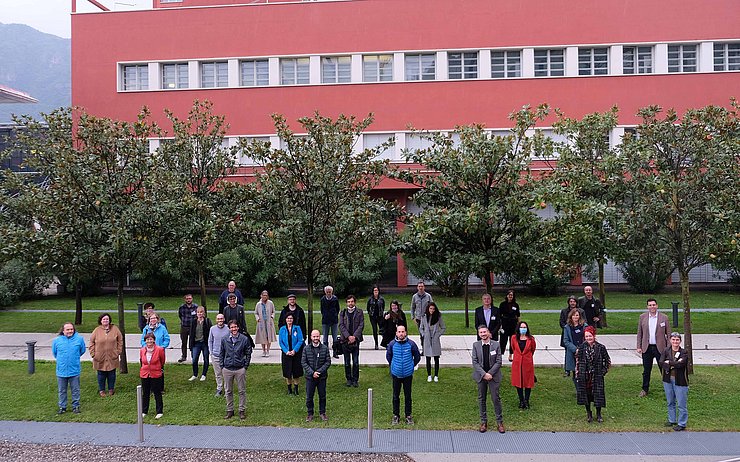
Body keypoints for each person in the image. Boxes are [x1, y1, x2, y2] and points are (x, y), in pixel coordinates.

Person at [471, 325, 505, 433]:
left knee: (496, 399)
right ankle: (483, 422)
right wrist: (484, 374)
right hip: (481, 377)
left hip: (493, 376)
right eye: (481, 332)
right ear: (478, 334)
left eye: (484, 332)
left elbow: (499, 361)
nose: (483, 334)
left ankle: (499, 422)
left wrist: (490, 373)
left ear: (488, 332)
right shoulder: (475, 345)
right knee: (482, 399)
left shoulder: (496, 345)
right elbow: (475, 362)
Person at [386, 325, 421, 426]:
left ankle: (408, 416)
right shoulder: (392, 344)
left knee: (408, 396)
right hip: (396, 375)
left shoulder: (411, 344)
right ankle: (396, 415)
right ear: (396, 333)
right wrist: (393, 366)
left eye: (403, 332)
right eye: (399, 332)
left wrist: (411, 366)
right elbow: (389, 356)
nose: (401, 334)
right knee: (395, 396)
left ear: (405, 333)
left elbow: (417, 357)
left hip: (407, 375)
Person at [575, 326, 611, 423]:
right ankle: (588, 413)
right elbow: (577, 362)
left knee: (598, 394)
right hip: (585, 376)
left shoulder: (601, 347)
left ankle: (598, 413)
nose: (588, 338)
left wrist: (603, 372)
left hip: (597, 375)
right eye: (586, 336)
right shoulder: (581, 348)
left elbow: (607, 361)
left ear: (594, 336)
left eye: (590, 336)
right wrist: (578, 374)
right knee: (586, 395)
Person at [636, 298, 671, 397]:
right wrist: (638, 346)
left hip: (660, 348)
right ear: (647, 307)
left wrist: (668, 348)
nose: (652, 307)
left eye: (654, 305)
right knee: (646, 370)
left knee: (664, 369)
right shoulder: (642, 317)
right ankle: (644, 389)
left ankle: (668, 389)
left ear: (657, 306)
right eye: (650, 305)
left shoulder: (664, 317)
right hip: (646, 348)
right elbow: (640, 333)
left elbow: (668, 334)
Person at [220, 320, 254, 420]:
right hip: (227, 369)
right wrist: (222, 366)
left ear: (238, 328)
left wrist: (245, 366)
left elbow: (248, 353)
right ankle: (230, 410)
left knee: (241, 391)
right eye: (232, 327)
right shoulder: (225, 339)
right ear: (229, 328)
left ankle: (241, 410)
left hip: (240, 369)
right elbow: (221, 353)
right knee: (228, 391)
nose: (234, 329)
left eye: (235, 327)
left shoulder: (244, 339)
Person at [52, 322, 86, 414]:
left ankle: (76, 406)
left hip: (74, 370)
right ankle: (62, 407)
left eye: (71, 329)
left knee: (75, 390)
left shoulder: (79, 339)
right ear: (63, 331)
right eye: (67, 329)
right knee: (62, 390)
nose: (70, 331)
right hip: (61, 371)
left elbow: (82, 351)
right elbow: (55, 353)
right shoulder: (57, 341)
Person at [88, 313, 123, 397]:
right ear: (101, 320)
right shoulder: (96, 330)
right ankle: (102, 390)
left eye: (107, 319)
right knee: (101, 374)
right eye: (104, 319)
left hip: (112, 355)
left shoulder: (115, 329)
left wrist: (118, 351)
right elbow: (91, 342)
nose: (105, 321)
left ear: (109, 320)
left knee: (112, 373)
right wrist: (93, 354)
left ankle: (111, 389)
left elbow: (120, 340)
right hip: (100, 356)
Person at [660, 332, 689, 431]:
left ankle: (682, 423)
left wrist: (670, 363)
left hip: (680, 381)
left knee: (681, 403)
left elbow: (681, 365)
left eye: (677, 340)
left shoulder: (684, 352)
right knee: (670, 401)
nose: (675, 341)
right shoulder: (666, 350)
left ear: (680, 341)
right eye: (673, 339)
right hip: (668, 380)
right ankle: (672, 420)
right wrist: (674, 364)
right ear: (670, 340)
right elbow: (661, 362)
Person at [301, 329, 331, 422]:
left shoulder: (325, 348)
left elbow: (328, 362)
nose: (315, 338)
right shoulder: (306, 349)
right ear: (311, 337)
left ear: (320, 337)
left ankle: (322, 413)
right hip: (310, 378)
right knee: (309, 396)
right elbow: (303, 362)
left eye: (317, 336)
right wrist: (312, 373)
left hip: (322, 377)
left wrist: (319, 372)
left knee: (322, 396)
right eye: (314, 336)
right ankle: (310, 414)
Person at [509, 320, 536, 409]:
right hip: (517, 363)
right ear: (518, 328)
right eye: (521, 327)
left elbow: (532, 350)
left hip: (527, 363)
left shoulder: (531, 339)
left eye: (524, 327)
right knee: (518, 382)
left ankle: (527, 400)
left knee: (528, 382)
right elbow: (513, 348)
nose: (523, 329)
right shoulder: (513, 338)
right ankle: (521, 400)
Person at [339, 294, 364, 387]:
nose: (350, 303)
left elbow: (361, 325)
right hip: (345, 341)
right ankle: (348, 379)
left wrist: (354, 337)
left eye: (352, 301)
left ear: (355, 302)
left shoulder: (359, 312)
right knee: (346, 362)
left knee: (356, 361)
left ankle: (355, 380)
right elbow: (341, 325)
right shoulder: (343, 312)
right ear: (346, 303)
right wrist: (348, 336)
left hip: (356, 341)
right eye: (349, 302)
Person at [140, 331, 165, 419]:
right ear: (145, 341)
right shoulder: (142, 350)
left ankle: (159, 411)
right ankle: (144, 411)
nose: (149, 341)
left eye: (151, 339)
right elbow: (141, 361)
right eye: (147, 340)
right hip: (145, 374)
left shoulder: (160, 349)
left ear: (154, 340)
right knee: (145, 393)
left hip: (156, 373)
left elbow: (162, 361)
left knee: (157, 392)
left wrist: (158, 368)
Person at [420, 301, 446, 382]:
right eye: (430, 308)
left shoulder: (438, 317)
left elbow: (443, 327)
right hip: (427, 339)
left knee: (436, 358)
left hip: (435, 338)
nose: (432, 310)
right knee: (428, 358)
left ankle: (436, 375)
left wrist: (438, 334)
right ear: (428, 309)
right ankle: (429, 375)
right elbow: (421, 328)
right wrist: (423, 334)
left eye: (433, 309)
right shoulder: (424, 317)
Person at [278, 313, 305, 395]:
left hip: (296, 354)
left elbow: (300, 340)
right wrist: (286, 351)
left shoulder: (297, 328)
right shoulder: (282, 329)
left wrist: (294, 350)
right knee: (288, 372)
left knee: (296, 372)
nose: (289, 320)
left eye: (291, 318)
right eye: (288, 318)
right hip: (286, 354)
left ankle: (296, 388)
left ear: (293, 320)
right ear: (285, 319)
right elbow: (281, 342)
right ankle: (289, 388)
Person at [563, 308, 587, 385]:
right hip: (573, 352)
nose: (575, 317)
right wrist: (575, 349)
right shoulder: (567, 327)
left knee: (583, 372)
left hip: (583, 351)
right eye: (573, 315)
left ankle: (585, 389)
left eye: (577, 315)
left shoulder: (584, 326)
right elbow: (566, 341)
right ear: (571, 316)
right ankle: (578, 390)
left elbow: (588, 338)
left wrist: (582, 349)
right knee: (575, 372)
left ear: (580, 316)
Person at [559, 296, 582, 376]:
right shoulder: (564, 311)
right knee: (568, 353)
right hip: (568, 335)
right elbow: (561, 322)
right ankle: (567, 370)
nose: (572, 303)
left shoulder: (581, 311)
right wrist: (568, 328)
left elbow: (584, 321)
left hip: (578, 337)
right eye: (571, 301)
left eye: (574, 301)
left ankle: (578, 370)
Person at [188, 306, 212, 382]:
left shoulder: (207, 321)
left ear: (204, 313)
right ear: (196, 313)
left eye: (201, 312)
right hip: (196, 343)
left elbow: (211, 333)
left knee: (206, 359)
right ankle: (195, 374)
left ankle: (204, 374)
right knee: (194, 359)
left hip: (205, 343)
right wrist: (190, 345)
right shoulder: (193, 322)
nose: (199, 314)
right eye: (198, 312)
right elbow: (191, 334)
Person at [209, 313, 229, 397]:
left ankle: (227, 390)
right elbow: (210, 341)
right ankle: (219, 389)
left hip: (226, 355)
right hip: (215, 355)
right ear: (216, 320)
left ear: (224, 319)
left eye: (221, 319)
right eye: (218, 319)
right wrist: (211, 352)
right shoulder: (212, 329)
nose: (220, 320)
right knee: (218, 373)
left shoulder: (228, 328)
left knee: (226, 373)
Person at [410, 282, 433, 352]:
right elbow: (412, 307)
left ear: (424, 287)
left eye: (422, 286)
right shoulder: (414, 297)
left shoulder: (428, 296)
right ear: (417, 287)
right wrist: (413, 317)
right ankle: (424, 349)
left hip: (427, 318)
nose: (420, 288)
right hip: (419, 319)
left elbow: (432, 306)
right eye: (419, 286)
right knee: (422, 334)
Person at [498, 289, 520, 360]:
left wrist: (518, 325)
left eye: (512, 295)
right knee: (503, 340)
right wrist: (500, 325)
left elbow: (518, 315)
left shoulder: (516, 305)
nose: (510, 296)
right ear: (507, 295)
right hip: (505, 323)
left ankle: (511, 355)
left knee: (512, 339)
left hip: (513, 324)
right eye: (509, 295)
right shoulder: (502, 304)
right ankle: (501, 355)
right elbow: (499, 315)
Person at [254, 290, 277, 357]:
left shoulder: (270, 303)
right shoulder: (258, 304)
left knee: (269, 336)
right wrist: (257, 318)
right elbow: (255, 313)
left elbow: (273, 311)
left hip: (269, 322)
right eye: (263, 295)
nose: (265, 296)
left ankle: (268, 351)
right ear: (261, 296)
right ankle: (263, 350)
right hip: (261, 323)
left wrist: (272, 317)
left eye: (266, 295)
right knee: (262, 337)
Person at [320, 286, 340, 357]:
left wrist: (334, 314)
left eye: (330, 292)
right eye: (327, 292)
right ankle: (326, 353)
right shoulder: (322, 299)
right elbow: (322, 309)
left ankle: (335, 352)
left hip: (334, 320)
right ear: (325, 292)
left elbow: (338, 308)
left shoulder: (335, 299)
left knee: (335, 337)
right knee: (325, 338)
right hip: (325, 321)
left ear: (332, 292)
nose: (328, 293)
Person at [177, 294, 198, 363]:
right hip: (184, 327)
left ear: (192, 299)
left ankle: (193, 356)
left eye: (190, 298)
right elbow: (180, 315)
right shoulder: (182, 307)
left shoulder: (195, 307)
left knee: (193, 342)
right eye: (187, 299)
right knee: (184, 342)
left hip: (193, 327)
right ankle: (183, 356)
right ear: (185, 300)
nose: (188, 300)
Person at [366, 285, 385, 350]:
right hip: (373, 317)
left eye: (377, 290)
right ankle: (376, 344)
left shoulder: (381, 299)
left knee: (382, 330)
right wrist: (370, 313)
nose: (376, 292)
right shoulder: (370, 299)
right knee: (374, 330)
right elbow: (368, 308)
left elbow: (383, 306)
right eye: (374, 291)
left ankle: (385, 342)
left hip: (380, 316)